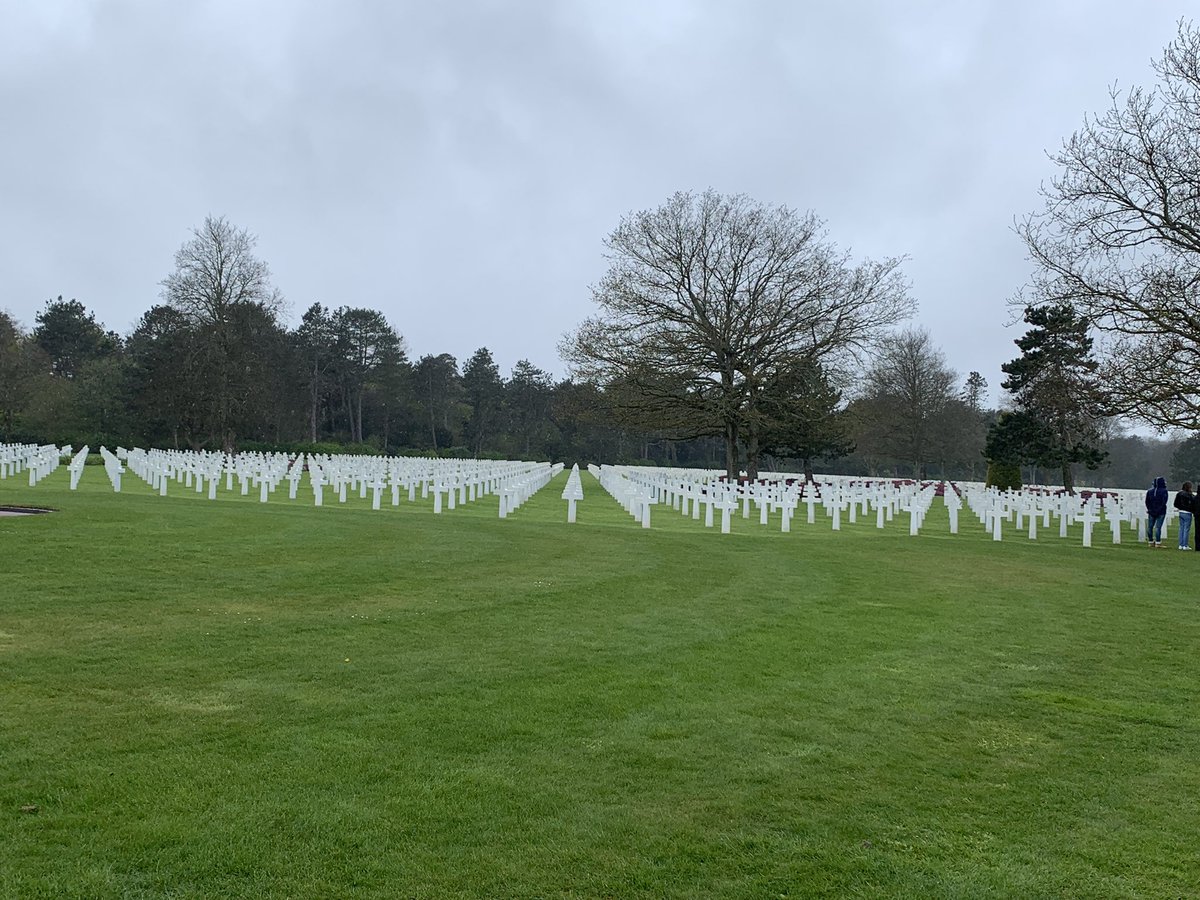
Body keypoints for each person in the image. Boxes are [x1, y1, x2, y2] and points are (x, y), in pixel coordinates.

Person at [1146, 476, 1168, 547]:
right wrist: (1159, 509)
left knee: (1150, 527)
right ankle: (1158, 542)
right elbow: (1164, 501)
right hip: (1161, 512)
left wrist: (1150, 509)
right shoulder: (1164, 491)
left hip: (1151, 511)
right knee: (1158, 527)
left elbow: (1147, 502)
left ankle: (1150, 541)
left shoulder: (1150, 491)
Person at [1175, 482, 1195, 550]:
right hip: (1187, 513)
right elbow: (1193, 504)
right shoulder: (1190, 495)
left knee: (1181, 528)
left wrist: (1180, 507)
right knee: (1186, 529)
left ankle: (1180, 545)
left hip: (1181, 512)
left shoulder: (1179, 494)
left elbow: (1175, 503)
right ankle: (1185, 545)